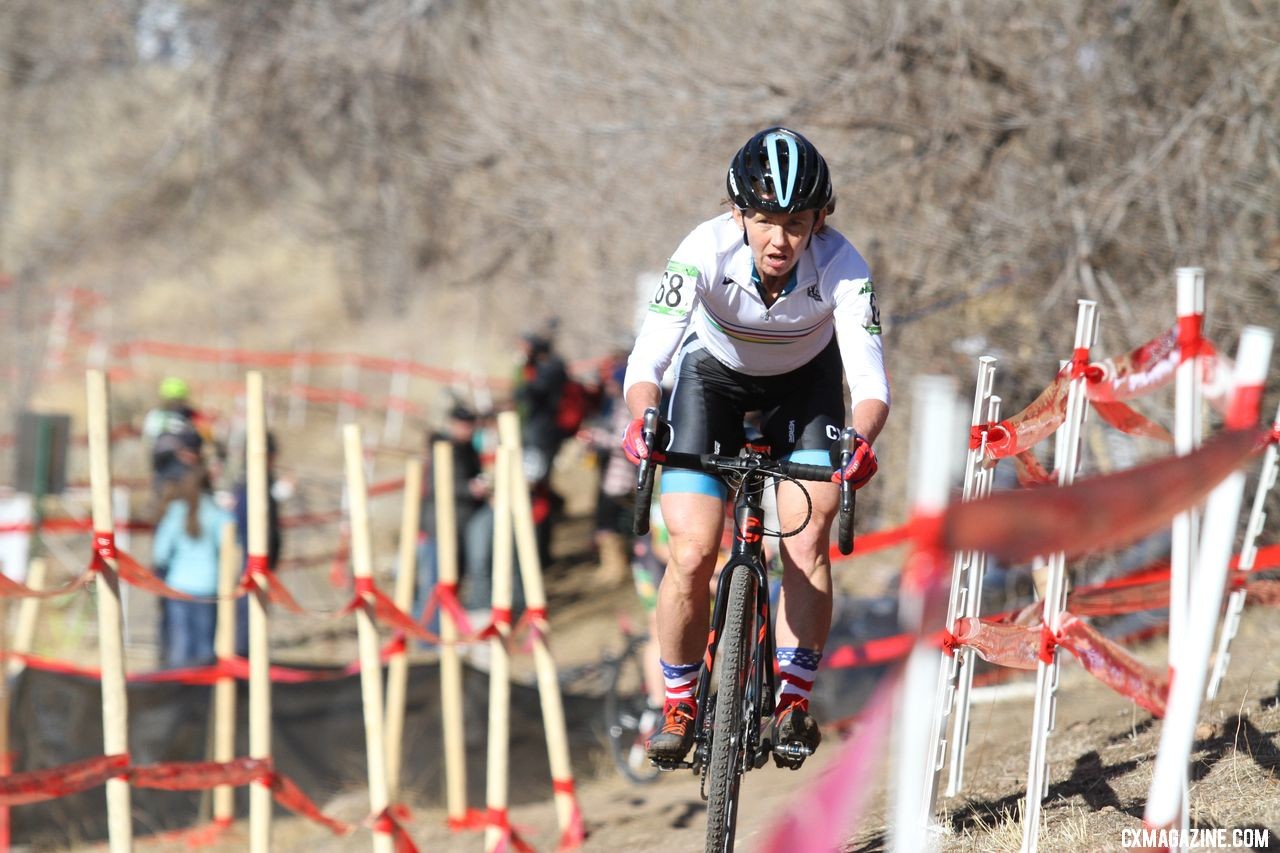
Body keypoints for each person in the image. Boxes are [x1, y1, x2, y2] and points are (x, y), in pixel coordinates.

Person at [621, 127, 890, 765]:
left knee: (806, 536)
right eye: (765, 219)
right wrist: (643, 418)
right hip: (710, 380)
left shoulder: (844, 265)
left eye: (797, 223)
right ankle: (680, 701)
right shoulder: (702, 249)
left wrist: (864, 437)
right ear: (738, 213)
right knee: (689, 552)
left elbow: (870, 377)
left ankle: (793, 699)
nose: (780, 239)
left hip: (808, 387)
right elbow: (647, 359)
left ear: (819, 220)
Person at [152, 464, 230, 668]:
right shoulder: (218, 514)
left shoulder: (176, 512)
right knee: (205, 647)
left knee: (180, 646)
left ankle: (178, 693)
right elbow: (231, 548)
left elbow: (160, 553)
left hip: (178, 586)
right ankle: (202, 697)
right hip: (208, 588)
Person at [513, 331, 569, 567]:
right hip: (540, 437)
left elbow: (525, 393)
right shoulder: (550, 367)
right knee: (537, 491)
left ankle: (539, 551)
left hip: (542, 439)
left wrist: (525, 370)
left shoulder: (550, 369)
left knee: (536, 492)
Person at [232, 432, 284, 658]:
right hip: (249, 567)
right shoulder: (251, 490)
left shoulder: (263, 487)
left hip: (260, 567)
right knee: (246, 625)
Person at [142, 377, 206, 501]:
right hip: (169, 466)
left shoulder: (157, 415)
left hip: (178, 468)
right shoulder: (158, 416)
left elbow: (149, 440)